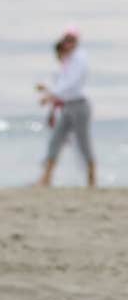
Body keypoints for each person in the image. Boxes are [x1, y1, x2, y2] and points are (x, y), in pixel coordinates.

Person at [35, 27, 96, 187]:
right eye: (66, 40)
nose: (68, 43)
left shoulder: (80, 58)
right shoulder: (68, 61)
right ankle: (46, 178)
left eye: (71, 40)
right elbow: (63, 85)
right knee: (56, 139)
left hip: (79, 106)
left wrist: (50, 96)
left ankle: (92, 179)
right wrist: (49, 92)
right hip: (67, 106)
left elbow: (72, 85)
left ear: (75, 41)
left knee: (83, 142)